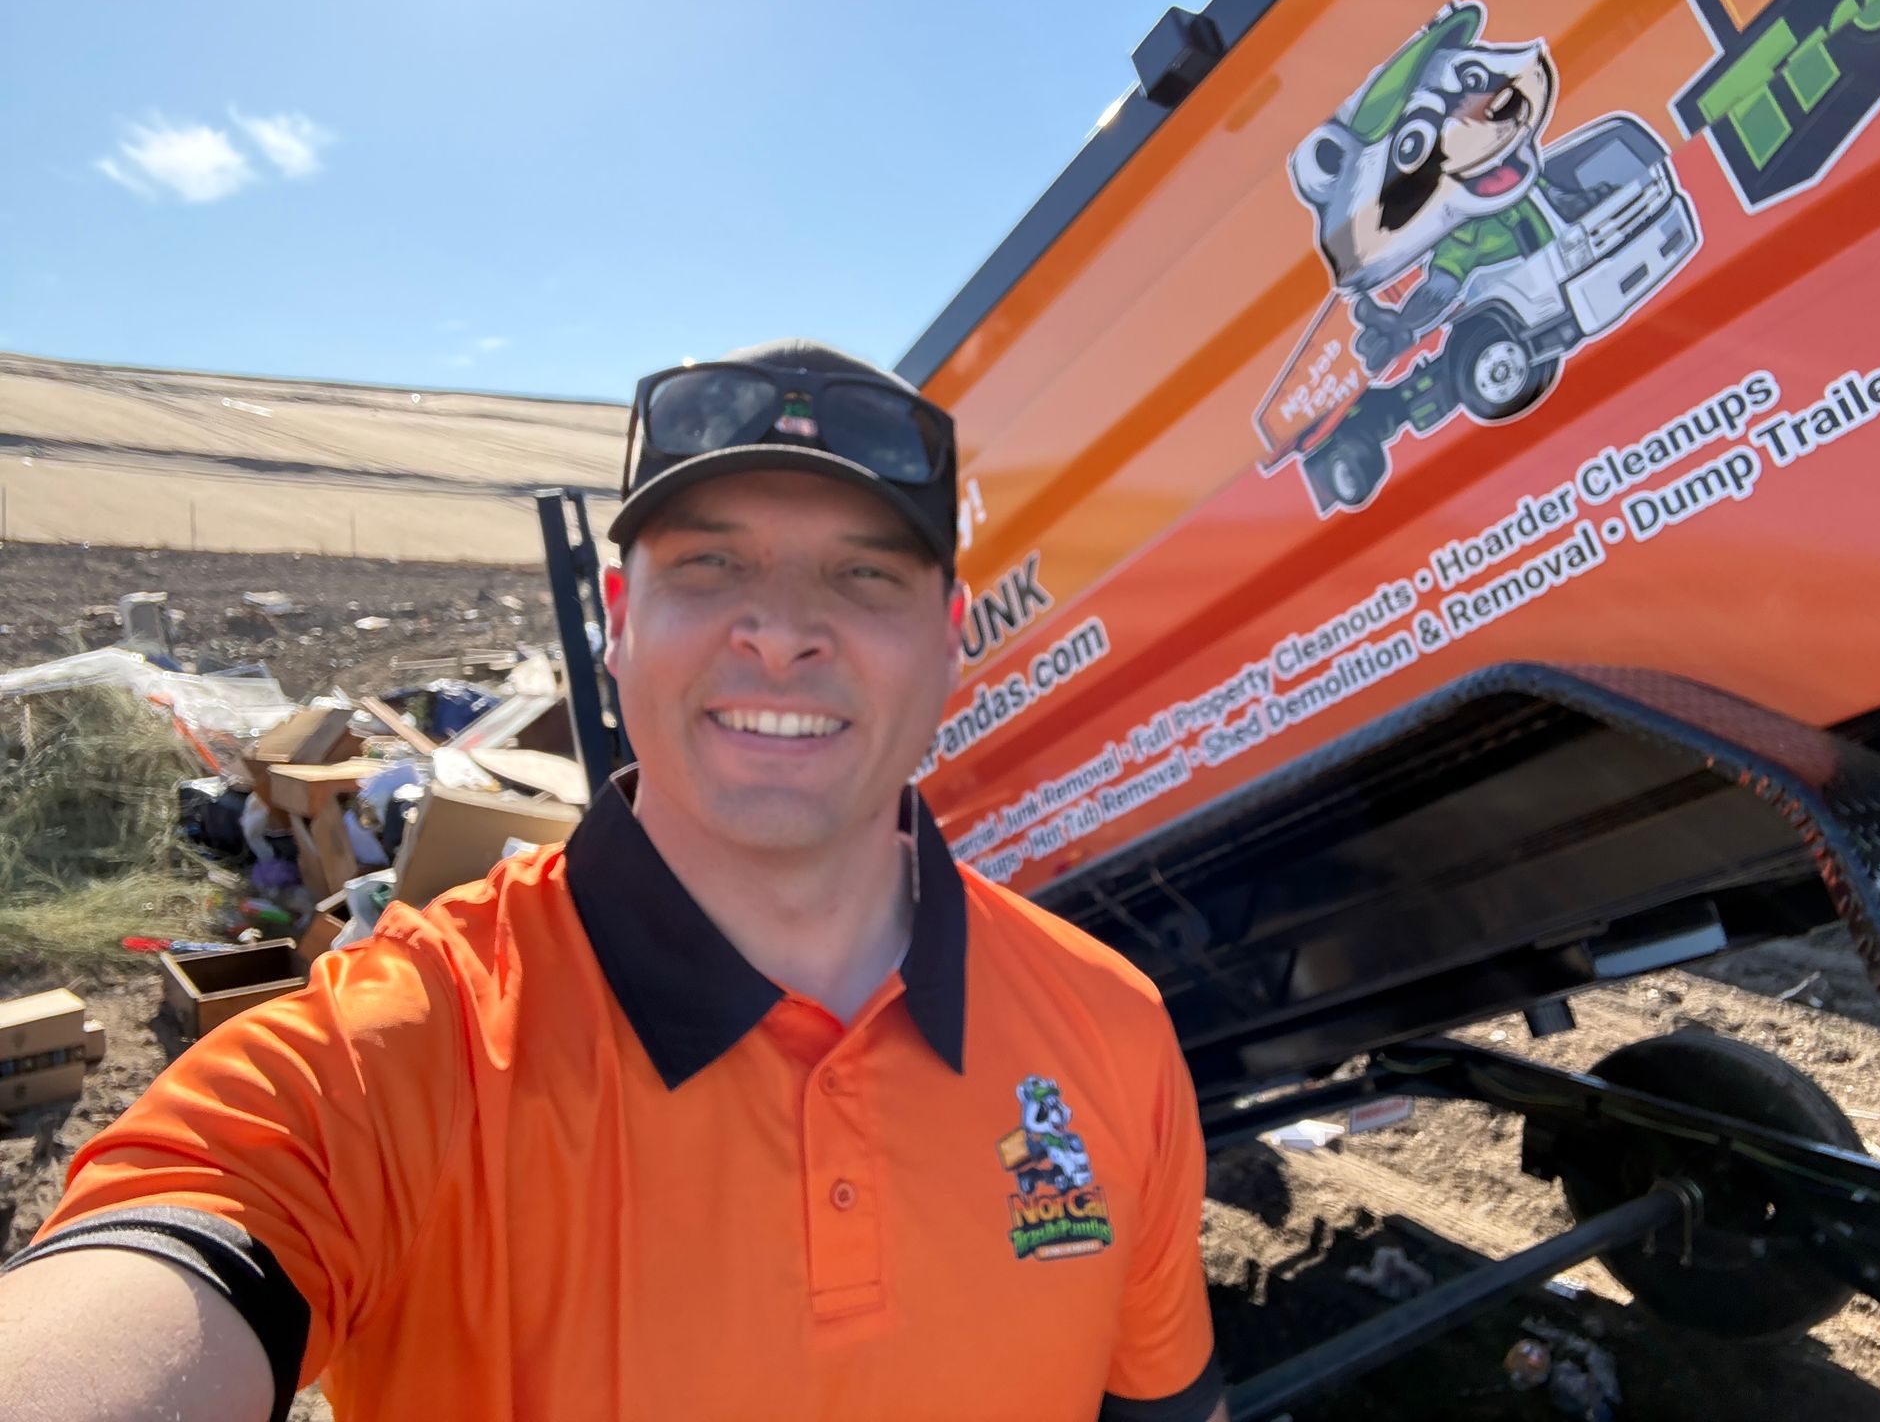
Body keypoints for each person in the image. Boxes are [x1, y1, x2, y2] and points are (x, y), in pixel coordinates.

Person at [0, 339, 1227, 1422]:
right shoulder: (407, 1053)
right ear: (618, 617)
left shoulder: (1109, 1029)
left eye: (864, 576)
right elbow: (172, 1265)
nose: (783, 630)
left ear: (950, 636)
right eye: (711, 568)